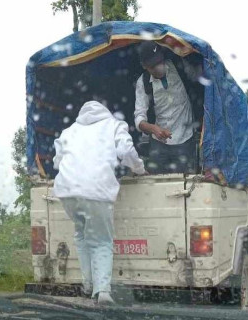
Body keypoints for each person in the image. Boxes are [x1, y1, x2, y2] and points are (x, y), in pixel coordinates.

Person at [52, 101, 146, 306]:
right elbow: (127, 152)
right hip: (96, 190)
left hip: (67, 191)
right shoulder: (114, 124)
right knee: (101, 240)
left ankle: (87, 285)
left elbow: (57, 162)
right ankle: (102, 291)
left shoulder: (69, 131)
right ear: (106, 111)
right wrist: (139, 169)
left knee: (82, 236)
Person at [134, 41, 195, 174]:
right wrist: (153, 129)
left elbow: (199, 81)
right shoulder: (143, 82)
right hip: (158, 144)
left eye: (159, 62)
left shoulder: (179, 67)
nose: (158, 68)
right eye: (153, 66)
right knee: (157, 186)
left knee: (185, 186)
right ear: (144, 66)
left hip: (185, 139)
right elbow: (139, 117)